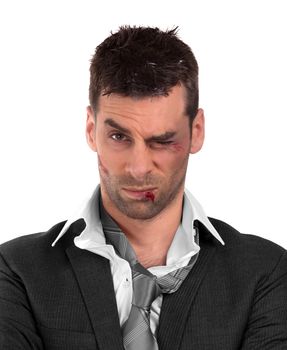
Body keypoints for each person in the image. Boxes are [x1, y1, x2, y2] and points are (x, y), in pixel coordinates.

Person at [0, 25, 286, 350]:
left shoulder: (266, 273)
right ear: (91, 130)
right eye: (119, 137)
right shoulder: (17, 271)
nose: (138, 168)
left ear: (197, 131)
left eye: (162, 141)